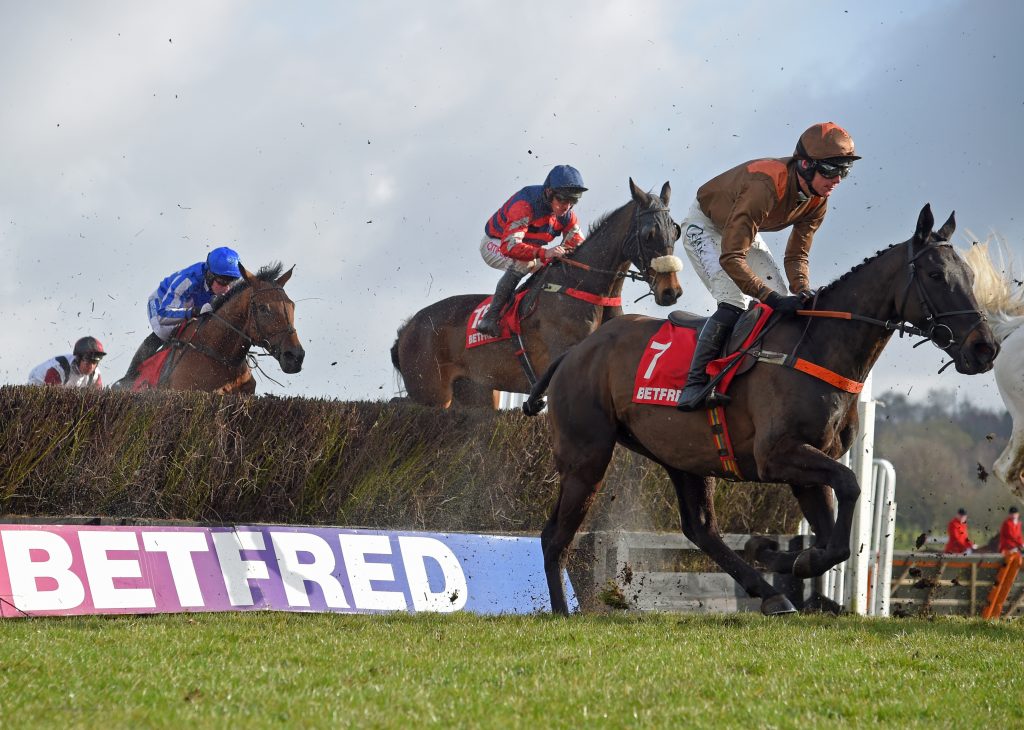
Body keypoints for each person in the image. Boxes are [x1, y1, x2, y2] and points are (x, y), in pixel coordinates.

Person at [676, 122, 861, 411]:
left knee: (783, 300)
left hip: (742, 229)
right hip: (706, 226)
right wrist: (771, 297)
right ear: (804, 164)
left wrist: (802, 290)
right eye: (831, 169)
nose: (837, 179)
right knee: (734, 300)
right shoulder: (764, 186)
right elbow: (731, 258)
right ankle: (694, 384)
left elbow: (797, 255)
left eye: (844, 171)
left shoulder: (818, 201)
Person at [475, 164, 588, 337]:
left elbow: (579, 244)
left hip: (524, 247)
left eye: (573, 201)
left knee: (555, 265)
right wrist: (545, 253)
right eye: (563, 200)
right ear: (549, 193)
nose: (567, 207)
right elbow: (510, 246)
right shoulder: (525, 205)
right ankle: (490, 317)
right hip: (497, 243)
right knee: (527, 262)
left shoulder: (566, 214)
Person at [115, 246, 242, 387]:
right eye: (223, 282)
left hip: (194, 302)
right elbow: (163, 315)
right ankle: (128, 378)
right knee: (164, 332)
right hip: (162, 304)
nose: (227, 289)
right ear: (210, 275)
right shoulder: (187, 281)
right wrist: (194, 311)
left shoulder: (219, 280)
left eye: (231, 282)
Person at [28, 336, 106, 389]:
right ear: (78, 358)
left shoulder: (95, 374)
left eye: (95, 361)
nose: (91, 366)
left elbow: (98, 396)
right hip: (38, 384)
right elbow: (51, 397)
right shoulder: (58, 369)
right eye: (87, 360)